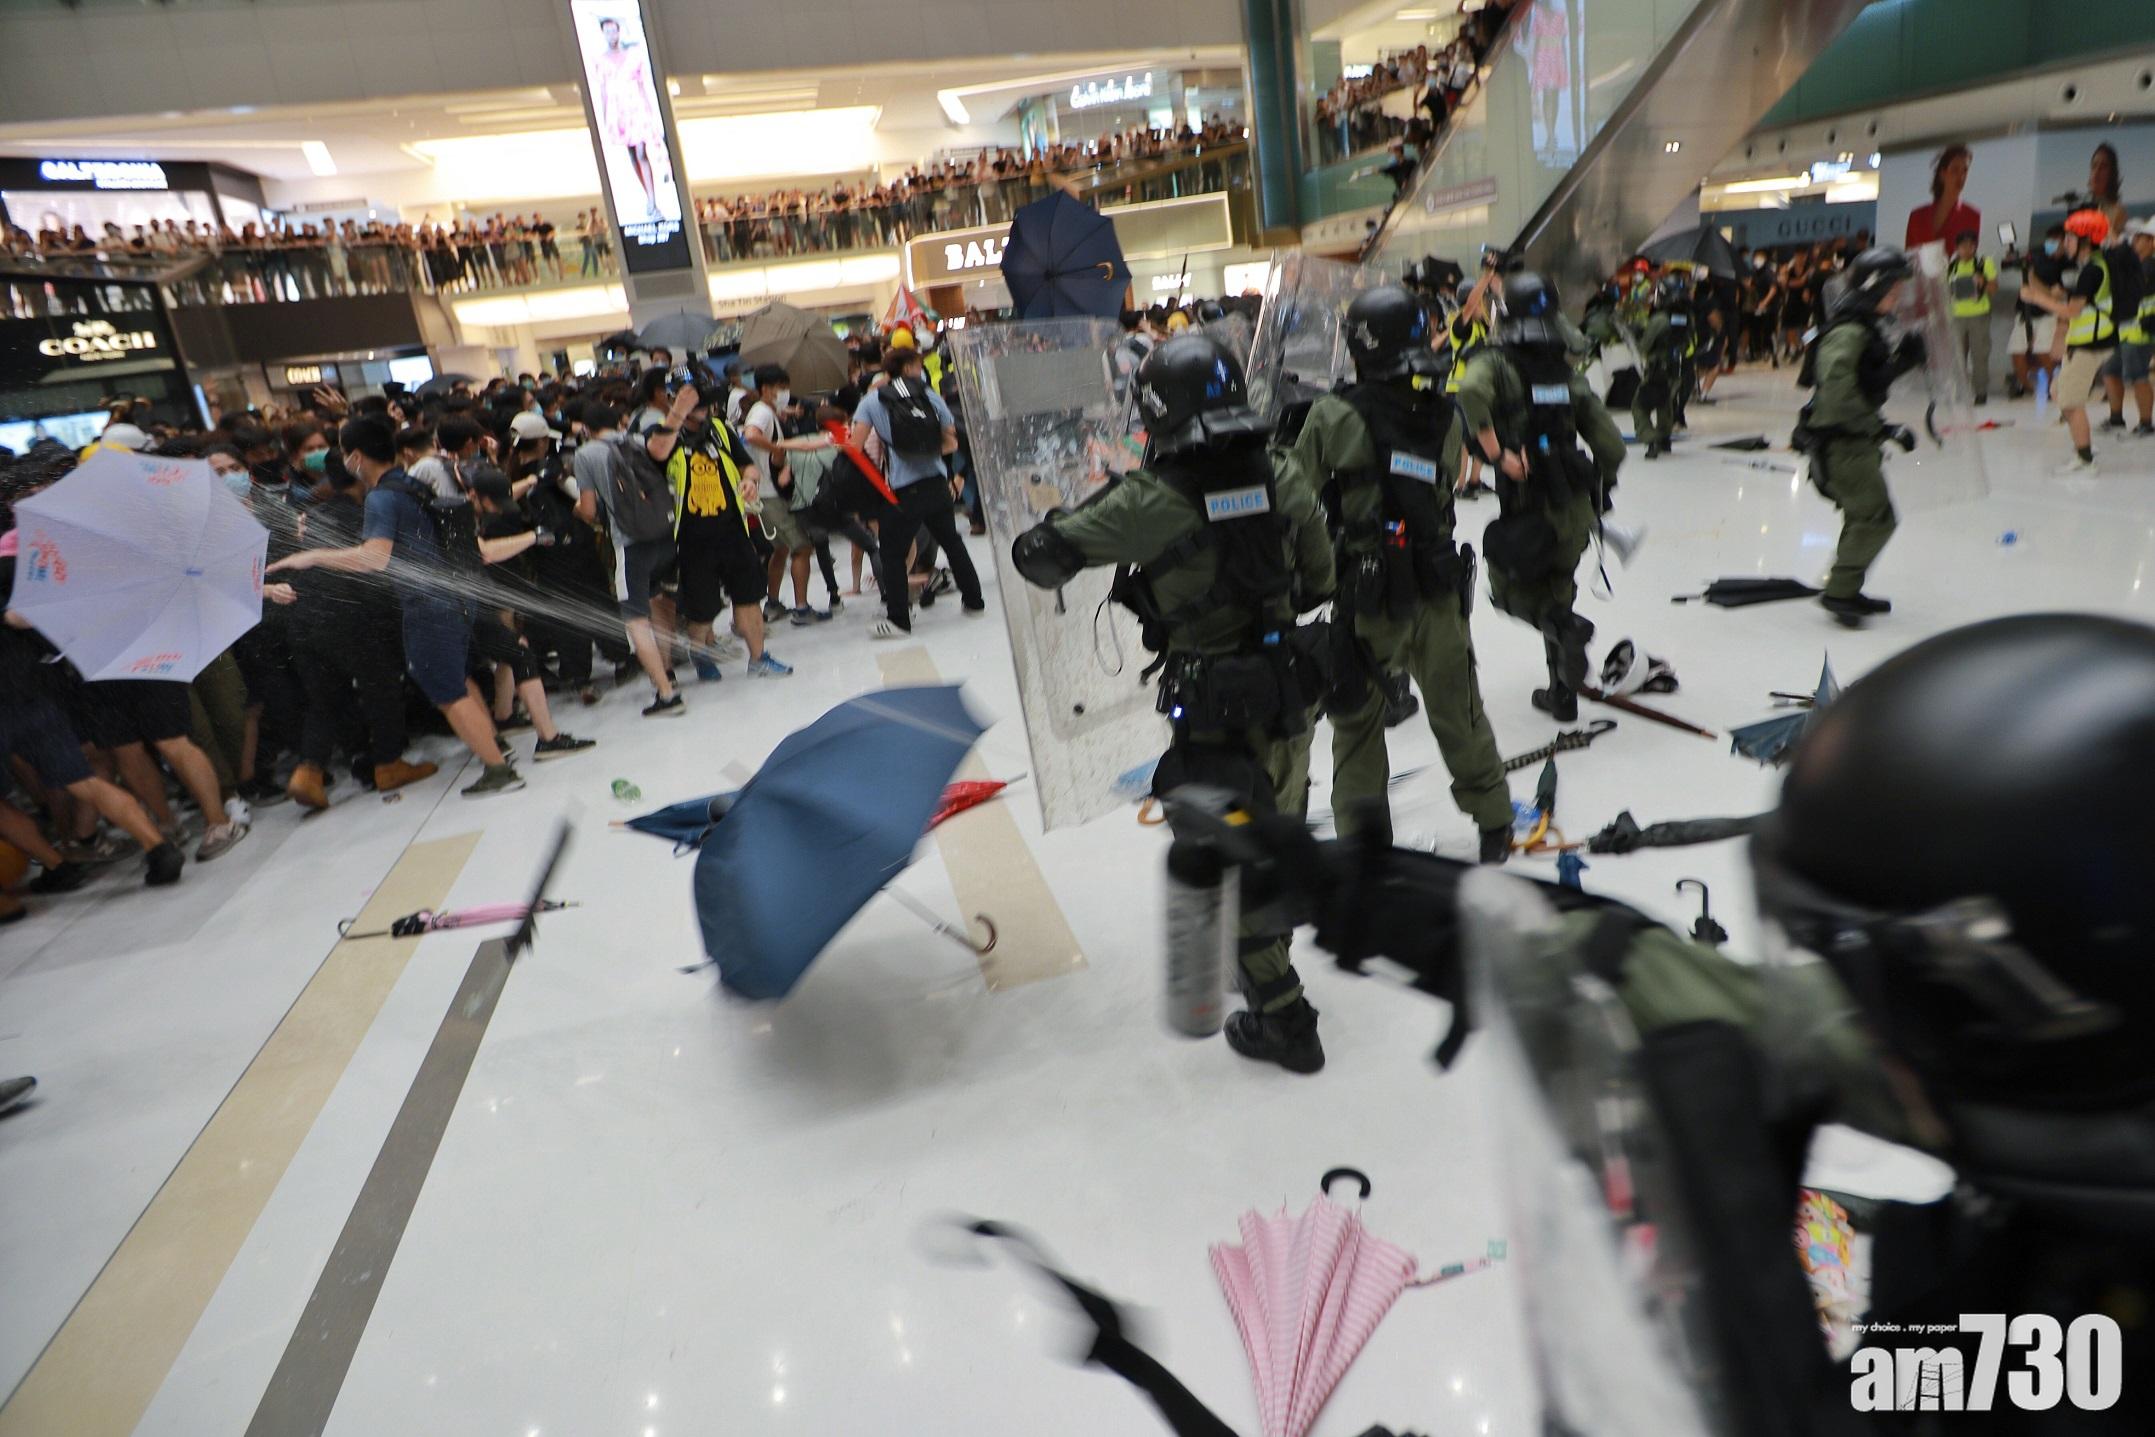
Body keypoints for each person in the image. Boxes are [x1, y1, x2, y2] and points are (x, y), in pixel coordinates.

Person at [1213, 613, 2155, 1435]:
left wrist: (1767, 1381)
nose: (1844, 1015)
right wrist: (1387, 899)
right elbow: (1726, 1004)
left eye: (1866, 984)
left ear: (2002, 1008)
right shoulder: (2081, 1089)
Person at [1011, 335, 1336, 1072]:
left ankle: (1285, 1016)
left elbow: (1038, 555)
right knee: (1276, 826)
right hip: (1288, 691)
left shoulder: (1151, 501)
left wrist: (1092, 502)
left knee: (1228, 850)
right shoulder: (1281, 472)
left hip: (1215, 704)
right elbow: (1319, 577)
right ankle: (1263, 955)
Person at [1289, 283, 1512, 864]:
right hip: (1437, 593)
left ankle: (1365, 853)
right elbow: (1448, 483)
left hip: (1366, 601)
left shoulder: (1332, 416)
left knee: (1357, 726)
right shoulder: (1445, 415)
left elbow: (1296, 496)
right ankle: (1494, 824)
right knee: (1460, 713)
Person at [267, 415, 527, 797]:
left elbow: (374, 557)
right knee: (456, 680)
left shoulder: (381, 497)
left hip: (427, 605)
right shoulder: (409, 482)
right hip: (454, 595)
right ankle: (494, 748)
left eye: (342, 450)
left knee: (447, 692)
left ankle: (498, 771)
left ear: (356, 456)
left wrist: (315, 556)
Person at [1457, 270, 1626, 721]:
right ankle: (1563, 695)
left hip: (1529, 512)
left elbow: (1469, 395)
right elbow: (1612, 445)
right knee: (1559, 590)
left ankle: (1564, 630)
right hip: (1575, 509)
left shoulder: (1494, 364)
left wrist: (1497, 457)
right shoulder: (1567, 374)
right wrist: (1599, 488)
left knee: (1509, 593)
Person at [281, 452, 437, 810]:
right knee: (382, 686)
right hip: (350, 618)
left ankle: (308, 772)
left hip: (302, 618)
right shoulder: (369, 515)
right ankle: (389, 764)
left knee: (324, 699)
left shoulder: (311, 517)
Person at [1792, 247, 1925, 624]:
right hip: (1843, 445)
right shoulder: (1849, 332)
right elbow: (1837, 395)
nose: (1897, 297)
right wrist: (1881, 428)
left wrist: (1901, 365)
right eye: (1892, 289)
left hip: (1852, 442)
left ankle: (1845, 587)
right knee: (1875, 518)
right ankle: (1840, 592)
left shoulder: (1861, 327)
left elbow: (1864, 382)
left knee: (1864, 516)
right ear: (1872, 287)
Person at [657, 388, 792, 678]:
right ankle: (701, 654)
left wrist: (750, 481)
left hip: (733, 530)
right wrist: (677, 414)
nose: (704, 409)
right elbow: (655, 457)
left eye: (705, 403)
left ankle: (758, 658)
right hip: (691, 539)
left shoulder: (720, 430)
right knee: (702, 609)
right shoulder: (663, 435)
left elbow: (749, 466)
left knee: (749, 596)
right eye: (696, 404)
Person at [855, 346, 986, 639]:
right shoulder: (929, 395)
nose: (920, 371)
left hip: (903, 489)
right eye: (917, 366)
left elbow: (856, 446)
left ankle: (899, 620)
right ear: (907, 368)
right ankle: (974, 601)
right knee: (952, 541)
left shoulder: (872, 401)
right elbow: (951, 438)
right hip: (936, 483)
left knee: (891, 552)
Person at [2026, 209, 2118, 475]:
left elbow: (2072, 311)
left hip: (2090, 345)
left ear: (2086, 241)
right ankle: (2084, 442)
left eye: (2070, 238)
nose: (2065, 242)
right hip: (2085, 342)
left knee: (2069, 402)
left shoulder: (2091, 271)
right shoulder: (2095, 265)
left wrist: (2036, 298)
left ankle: (2086, 458)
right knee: (2057, 391)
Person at [738, 365, 824, 626]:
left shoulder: (766, 411)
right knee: (802, 546)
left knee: (782, 548)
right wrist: (777, 449)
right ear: (766, 389)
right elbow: (751, 435)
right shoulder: (761, 412)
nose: (784, 393)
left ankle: (773, 603)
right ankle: (801, 608)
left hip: (764, 492)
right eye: (781, 388)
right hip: (769, 493)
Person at [2100, 216, 2155, 439]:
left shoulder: (2150, 266)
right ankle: (2116, 418)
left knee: (2138, 376)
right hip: (2125, 331)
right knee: (2110, 371)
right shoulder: (2140, 264)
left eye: (2142, 237)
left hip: (2139, 333)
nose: (2136, 240)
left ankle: (2145, 423)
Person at [1631, 272, 1689, 458]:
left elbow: (1643, 347)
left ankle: (1651, 439)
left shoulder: (1659, 320)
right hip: (1678, 370)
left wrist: (1638, 333)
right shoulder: (1686, 318)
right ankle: (1665, 438)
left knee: (1639, 406)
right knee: (1665, 404)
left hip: (1658, 371)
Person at [2007, 223, 2067, 400]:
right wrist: (2014, 259)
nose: (2052, 243)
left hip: (2048, 314)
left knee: (2043, 351)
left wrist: (2031, 278)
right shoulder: (2037, 254)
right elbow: (2020, 260)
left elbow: (2057, 294)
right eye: (2050, 240)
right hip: (2024, 312)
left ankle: (2055, 385)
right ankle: (2028, 386)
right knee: (2016, 350)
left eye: (2057, 240)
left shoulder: (2066, 264)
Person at [1944, 229, 1998, 404]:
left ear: (1975, 247)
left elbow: (1993, 289)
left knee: (1979, 354)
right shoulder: (1951, 266)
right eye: (1963, 246)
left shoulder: (1984, 263)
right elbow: (1944, 291)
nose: (1967, 250)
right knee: (1957, 356)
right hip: (1956, 316)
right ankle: (1959, 390)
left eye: (1971, 246)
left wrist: (1983, 282)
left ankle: (1980, 392)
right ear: (1956, 248)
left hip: (1979, 315)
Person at [1903, 142, 1978, 249]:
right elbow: (1909, 256)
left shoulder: (1972, 216)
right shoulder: (1917, 217)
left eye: (1964, 170)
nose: (1961, 176)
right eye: (1955, 170)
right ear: (1943, 174)